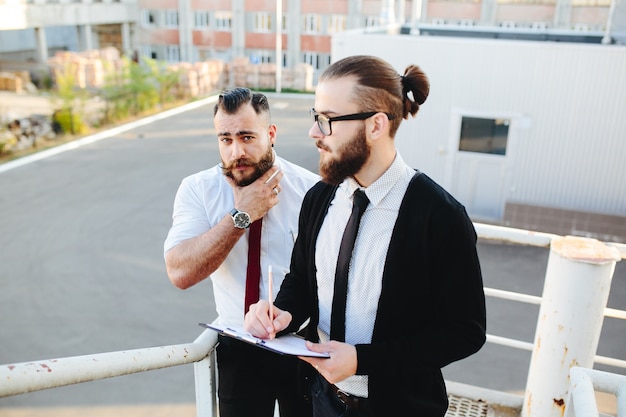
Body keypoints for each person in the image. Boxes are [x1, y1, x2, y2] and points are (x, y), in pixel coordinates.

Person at [244, 55, 487, 416]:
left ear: (376, 125)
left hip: (400, 408)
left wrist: (363, 360)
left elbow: (464, 331)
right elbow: (302, 284)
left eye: (326, 120)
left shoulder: (440, 216)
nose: (314, 133)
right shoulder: (320, 197)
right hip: (317, 400)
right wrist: (281, 314)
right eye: (316, 118)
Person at [164, 87, 319, 417]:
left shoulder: (311, 190)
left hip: (304, 345)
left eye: (247, 137)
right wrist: (241, 216)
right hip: (239, 347)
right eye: (226, 139)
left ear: (271, 133)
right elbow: (180, 273)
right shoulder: (198, 189)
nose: (236, 151)